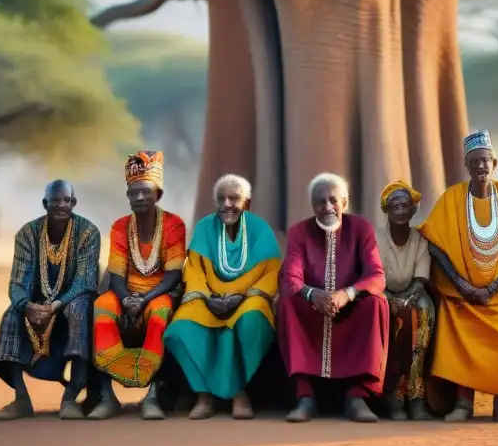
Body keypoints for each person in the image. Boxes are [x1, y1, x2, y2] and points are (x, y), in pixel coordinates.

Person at [419, 129, 498, 423]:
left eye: (486, 161)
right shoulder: (451, 198)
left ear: (494, 164)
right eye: (476, 162)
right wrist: (461, 284)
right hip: (462, 296)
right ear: (467, 166)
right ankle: (463, 404)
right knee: (460, 340)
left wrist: (496, 285)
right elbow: (434, 244)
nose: (482, 166)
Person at [164, 174, 282, 420]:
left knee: (251, 319)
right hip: (208, 298)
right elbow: (194, 269)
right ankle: (203, 396)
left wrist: (241, 296)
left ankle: (239, 394)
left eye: (234, 198)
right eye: (221, 198)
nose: (227, 204)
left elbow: (270, 272)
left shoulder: (260, 229)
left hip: (248, 297)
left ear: (247, 203)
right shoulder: (206, 227)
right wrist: (207, 297)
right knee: (182, 327)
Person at [277, 173, 390, 423]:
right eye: (320, 202)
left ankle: (356, 397)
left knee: (376, 302)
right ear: (312, 206)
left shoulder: (361, 228)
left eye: (333, 200)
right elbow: (291, 278)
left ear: (345, 203)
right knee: (288, 301)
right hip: (311, 308)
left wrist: (347, 294)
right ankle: (305, 396)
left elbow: (376, 275)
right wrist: (311, 293)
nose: (327, 207)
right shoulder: (299, 232)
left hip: (349, 308)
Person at [0, 180, 101, 420]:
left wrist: (56, 305)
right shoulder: (28, 234)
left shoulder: (87, 233)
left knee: (80, 310)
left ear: (74, 203)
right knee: (11, 315)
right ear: (45, 204)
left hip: (71, 303)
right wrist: (27, 306)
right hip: (36, 306)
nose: (62, 205)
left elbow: (85, 281)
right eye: (56, 200)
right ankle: (21, 399)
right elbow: (18, 281)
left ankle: (70, 397)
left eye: (67, 200)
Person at [89, 150, 186, 420]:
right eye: (134, 193)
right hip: (126, 294)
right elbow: (116, 273)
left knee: (160, 312)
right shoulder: (121, 227)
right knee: (101, 306)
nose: (140, 197)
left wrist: (143, 299)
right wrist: (126, 298)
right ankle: (107, 397)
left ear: (159, 195)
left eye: (146, 192)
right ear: (128, 196)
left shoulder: (174, 225)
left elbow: (173, 276)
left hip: (159, 293)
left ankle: (152, 396)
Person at [376, 180, 434, 421]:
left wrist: (409, 297)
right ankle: (395, 396)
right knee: (391, 316)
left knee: (422, 312)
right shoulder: (376, 237)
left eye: (405, 205)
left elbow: (421, 279)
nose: (400, 210)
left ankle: (416, 395)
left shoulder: (420, 239)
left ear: (413, 210)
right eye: (395, 206)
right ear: (386, 211)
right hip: (382, 293)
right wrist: (390, 297)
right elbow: (374, 275)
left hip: (413, 293)